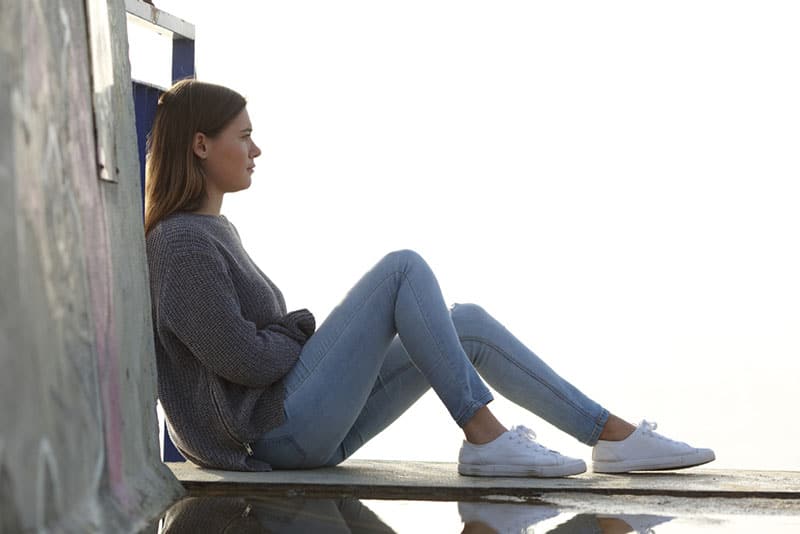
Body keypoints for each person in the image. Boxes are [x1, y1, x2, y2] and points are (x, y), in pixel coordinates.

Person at [144, 79, 715, 476]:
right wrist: (299, 334)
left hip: (292, 430)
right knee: (402, 269)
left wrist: (294, 339)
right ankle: (483, 433)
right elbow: (242, 357)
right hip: (265, 435)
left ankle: (610, 435)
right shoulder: (181, 242)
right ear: (201, 145)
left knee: (462, 323)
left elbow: (252, 350)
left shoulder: (210, 232)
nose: (257, 149)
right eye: (243, 136)